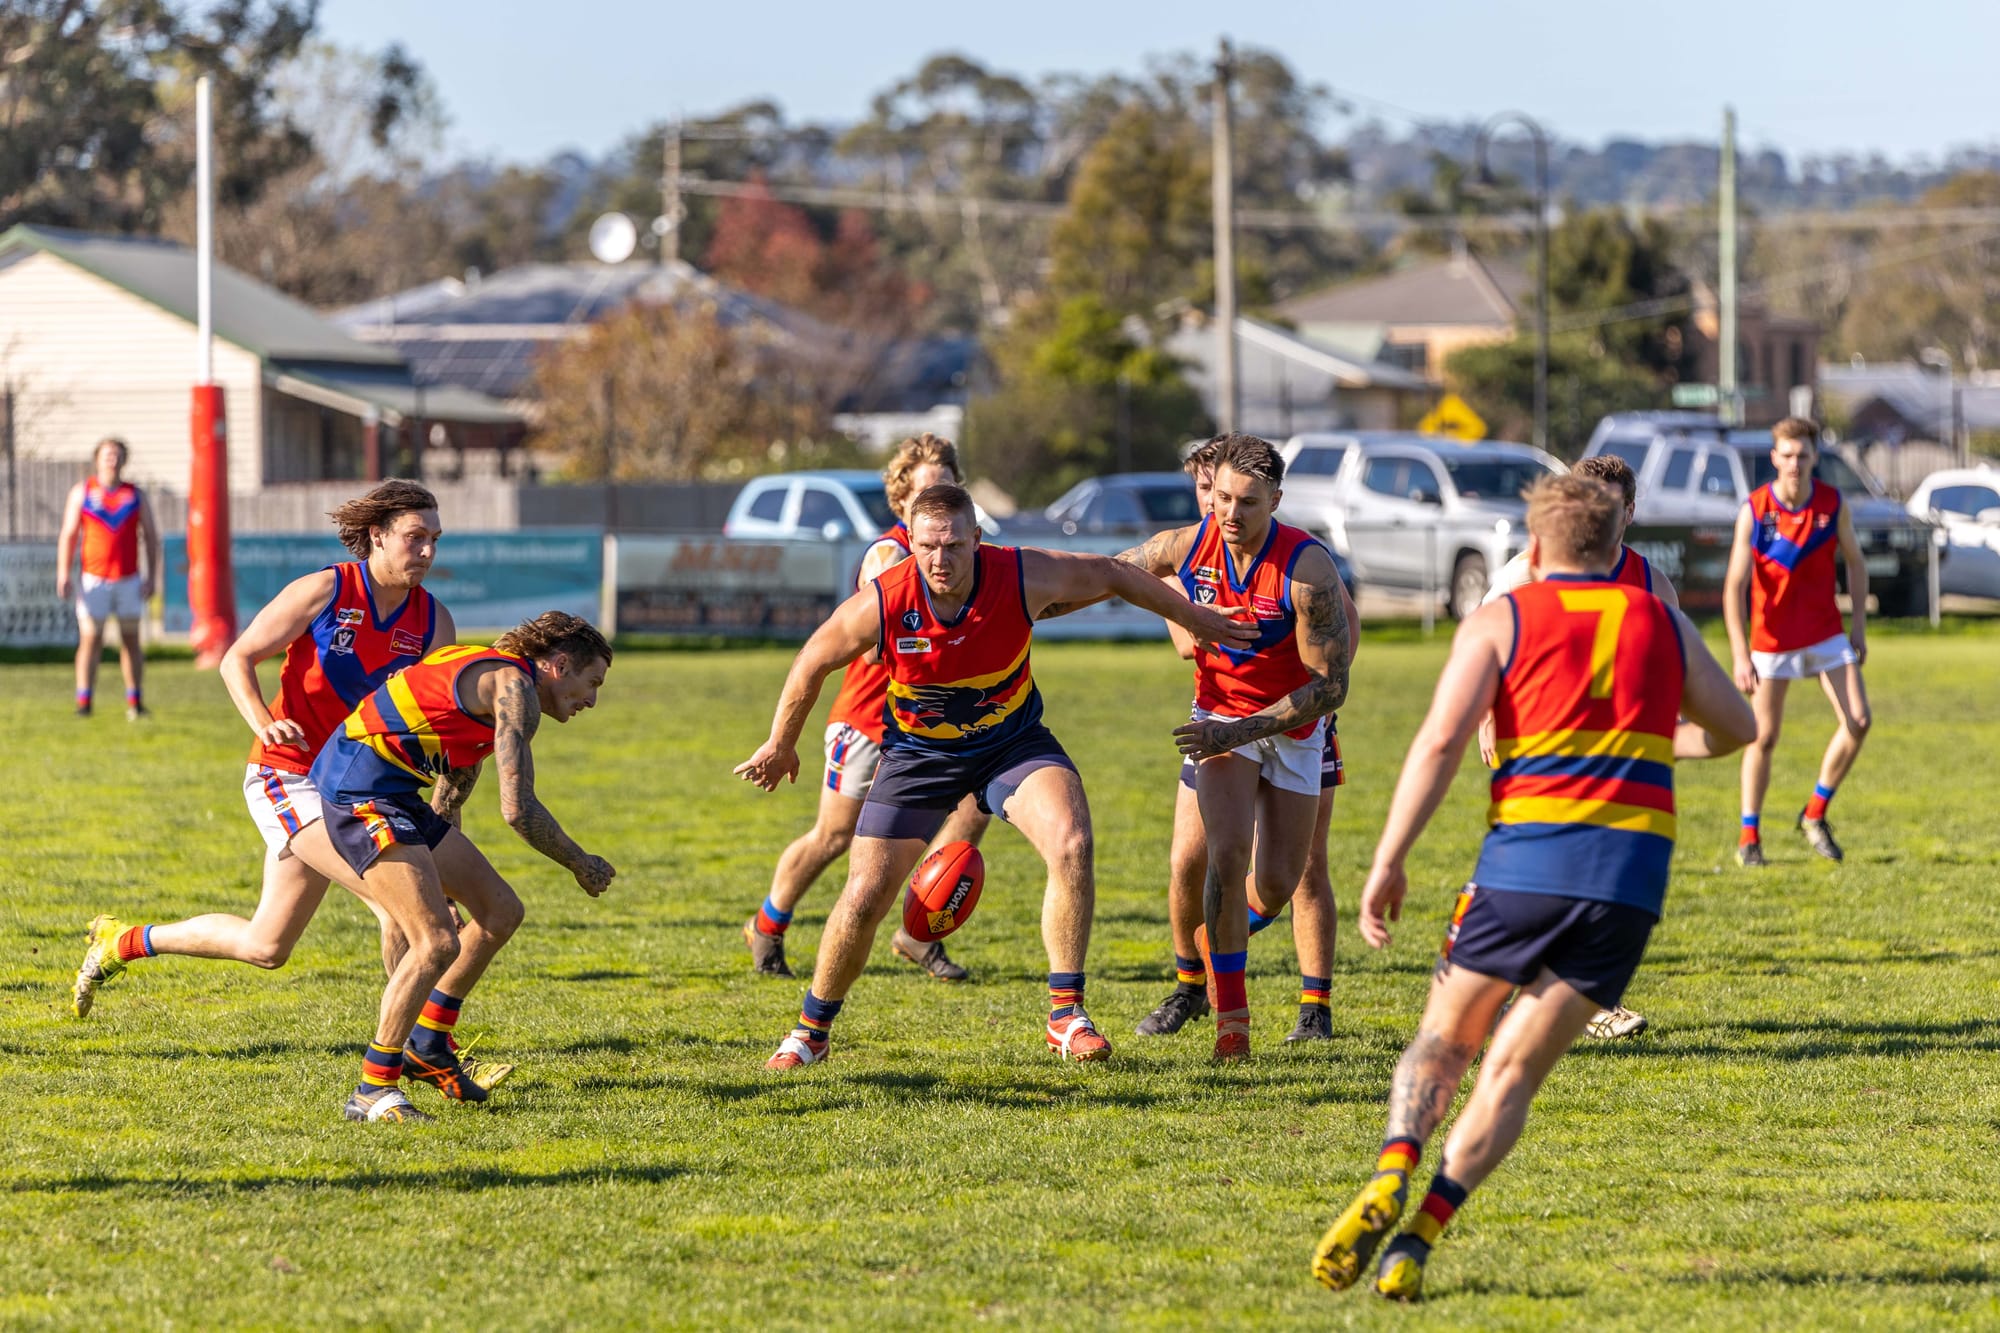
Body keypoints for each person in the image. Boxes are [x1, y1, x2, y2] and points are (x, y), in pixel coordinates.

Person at [1309, 475, 1755, 1302]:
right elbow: (1739, 727)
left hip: (1524, 868)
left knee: (1447, 1040)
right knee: (1512, 1070)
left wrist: (1389, 859)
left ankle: (1392, 1170)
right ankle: (1417, 1238)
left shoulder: (1502, 618)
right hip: (1628, 880)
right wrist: (1658, 741)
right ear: (1617, 544)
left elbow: (1441, 743)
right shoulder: (1659, 618)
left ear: (1538, 546)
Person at [735, 483, 1255, 1071]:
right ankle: (811, 1031)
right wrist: (780, 743)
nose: (940, 559)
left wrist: (1194, 617)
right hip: (920, 756)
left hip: (1012, 744)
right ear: (911, 543)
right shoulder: (885, 599)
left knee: (1072, 842)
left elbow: (1112, 573)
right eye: (927, 546)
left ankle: (1066, 1015)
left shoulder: (1020, 574)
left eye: (954, 545)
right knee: (864, 894)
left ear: (977, 539)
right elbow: (812, 659)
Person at [69, 483, 469, 1045]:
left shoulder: (434, 622)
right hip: (290, 777)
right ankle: (424, 1052)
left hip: (357, 788)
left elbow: (430, 726)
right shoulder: (326, 590)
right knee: (402, 909)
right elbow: (237, 658)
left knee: (267, 945)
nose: (426, 551)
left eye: (434, 539)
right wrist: (264, 722)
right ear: (377, 536)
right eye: (415, 537)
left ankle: (123, 941)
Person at [285, 612, 617, 1123]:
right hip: (359, 792)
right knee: (436, 942)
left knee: (499, 911)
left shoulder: (490, 683)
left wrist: (444, 885)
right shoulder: (513, 690)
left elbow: (450, 795)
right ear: (559, 664)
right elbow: (518, 809)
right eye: (592, 682)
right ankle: (373, 1089)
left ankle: (429, 1043)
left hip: (397, 796)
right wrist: (580, 862)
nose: (592, 700)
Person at [1110, 434, 1351, 1062]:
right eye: (1221, 498)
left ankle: (1212, 938)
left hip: (1292, 727)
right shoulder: (1186, 545)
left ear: (1276, 500)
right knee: (1222, 854)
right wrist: (1025, 601)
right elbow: (1109, 572)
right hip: (1218, 715)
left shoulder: (1307, 568)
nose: (1230, 513)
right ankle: (1231, 1023)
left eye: (1247, 502)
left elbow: (1330, 690)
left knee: (1278, 882)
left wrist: (1239, 732)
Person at [744, 434, 989, 983]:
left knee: (973, 808)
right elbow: (878, 644)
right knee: (834, 835)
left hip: (934, 723)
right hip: (868, 720)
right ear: (902, 499)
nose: (937, 499)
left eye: (948, 487)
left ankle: (920, 929)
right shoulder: (890, 554)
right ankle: (767, 924)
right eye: (926, 491)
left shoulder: (963, 552)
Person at [1478, 452, 1679, 1042]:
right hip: (1540, 753)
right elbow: (1482, 644)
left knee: (1594, 880)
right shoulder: (1528, 572)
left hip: (1619, 762)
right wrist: (1488, 717)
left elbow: (1677, 670)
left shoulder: (1651, 583)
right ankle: (1568, 998)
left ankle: (1539, 994)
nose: (1594, 515)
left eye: (1607, 505)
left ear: (1629, 512)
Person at [1722, 416, 1872, 866]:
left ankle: (1815, 812)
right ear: (1774, 457)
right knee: (1763, 737)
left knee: (1858, 720)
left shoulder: (1832, 503)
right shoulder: (1755, 510)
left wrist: (1858, 626)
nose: (1794, 462)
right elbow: (1734, 586)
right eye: (1786, 454)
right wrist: (1739, 654)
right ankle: (1749, 837)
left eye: (1802, 454)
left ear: (1814, 457)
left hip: (1825, 633)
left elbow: (1856, 564)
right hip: (1771, 640)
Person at [55, 438, 161, 719]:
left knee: (131, 640)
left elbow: (151, 537)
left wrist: (152, 576)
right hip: (94, 579)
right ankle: (84, 701)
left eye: (117, 454)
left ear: (124, 460)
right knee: (91, 640)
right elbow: (69, 534)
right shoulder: (83, 492)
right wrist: (63, 572)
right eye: (107, 454)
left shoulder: (135, 495)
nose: (112, 459)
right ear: (97, 459)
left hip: (128, 579)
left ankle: (135, 702)